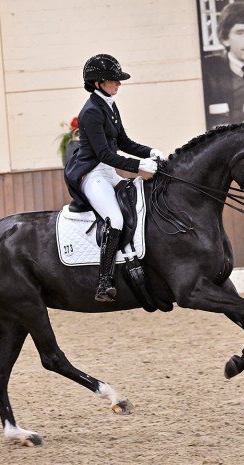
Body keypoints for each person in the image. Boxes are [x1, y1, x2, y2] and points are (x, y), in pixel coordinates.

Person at [64, 54, 164, 302]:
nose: (118, 84)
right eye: (113, 81)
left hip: (109, 172)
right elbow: (106, 154)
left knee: (140, 203)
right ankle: (104, 281)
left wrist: (150, 151)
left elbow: (123, 142)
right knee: (115, 219)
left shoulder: (109, 104)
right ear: (98, 83)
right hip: (92, 174)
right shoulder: (90, 112)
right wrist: (140, 164)